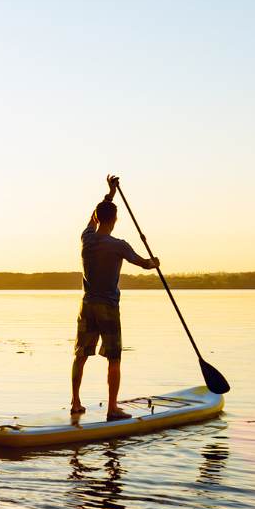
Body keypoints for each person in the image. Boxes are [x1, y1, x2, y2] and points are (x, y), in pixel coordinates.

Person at [71, 174, 160, 420]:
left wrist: (109, 194)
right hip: (108, 307)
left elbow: (93, 217)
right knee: (114, 357)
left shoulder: (86, 238)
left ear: (98, 218)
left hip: (87, 305)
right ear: (116, 219)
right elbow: (143, 264)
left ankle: (75, 403)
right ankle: (112, 409)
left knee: (81, 354)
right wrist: (155, 262)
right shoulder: (118, 244)